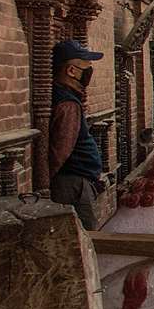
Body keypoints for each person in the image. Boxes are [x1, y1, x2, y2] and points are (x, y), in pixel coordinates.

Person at [49, 38, 106, 229]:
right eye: (85, 68)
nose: (89, 73)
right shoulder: (67, 104)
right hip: (73, 184)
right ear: (71, 70)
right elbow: (61, 148)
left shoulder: (68, 98)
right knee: (86, 238)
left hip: (76, 181)